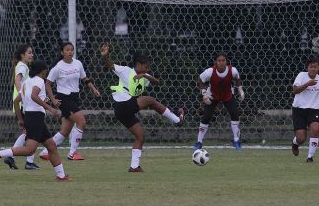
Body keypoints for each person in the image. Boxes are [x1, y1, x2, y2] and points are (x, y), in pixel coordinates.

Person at [100, 43, 184, 172]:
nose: (147, 69)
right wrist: (106, 56)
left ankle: (134, 167)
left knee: (140, 135)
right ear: (138, 64)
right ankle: (177, 120)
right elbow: (110, 65)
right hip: (122, 104)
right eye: (145, 67)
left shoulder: (144, 77)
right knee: (150, 100)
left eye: (148, 68)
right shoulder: (126, 70)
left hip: (125, 111)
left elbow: (158, 82)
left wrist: (144, 75)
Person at [0, 60, 72, 181]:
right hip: (35, 118)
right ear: (43, 70)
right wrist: (50, 108)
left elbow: (16, 101)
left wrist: (20, 119)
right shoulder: (39, 81)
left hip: (30, 116)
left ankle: (61, 176)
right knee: (30, 150)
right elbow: (34, 96)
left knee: (51, 145)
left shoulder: (26, 82)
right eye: (46, 70)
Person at [37, 42, 101, 161]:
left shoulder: (78, 63)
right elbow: (48, 84)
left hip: (74, 97)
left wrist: (93, 88)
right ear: (62, 52)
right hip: (64, 98)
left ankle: (45, 152)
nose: (70, 52)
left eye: (72, 50)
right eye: (67, 50)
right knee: (81, 121)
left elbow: (85, 78)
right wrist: (53, 99)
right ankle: (72, 153)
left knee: (65, 130)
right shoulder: (58, 67)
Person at [193, 54, 245, 150]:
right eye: (219, 61)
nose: (221, 62)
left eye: (223, 60)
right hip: (213, 95)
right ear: (216, 62)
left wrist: (240, 90)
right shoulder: (209, 72)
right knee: (206, 116)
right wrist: (204, 93)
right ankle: (199, 142)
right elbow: (200, 80)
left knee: (234, 114)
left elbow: (237, 78)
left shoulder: (232, 70)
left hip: (227, 95)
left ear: (226, 62)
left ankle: (236, 141)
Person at [3, 44, 40, 170]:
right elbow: (17, 81)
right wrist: (22, 94)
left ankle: (11, 157)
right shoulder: (22, 67)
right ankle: (28, 161)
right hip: (23, 104)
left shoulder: (22, 66)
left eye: (32, 52)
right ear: (22, 55)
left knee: (28, 132)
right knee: (32, 133)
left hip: (22, 104)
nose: (32, 55)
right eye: (29, 53)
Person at [290, 57, 319, 162]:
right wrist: (307, 84)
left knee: (315, 129)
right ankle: (295, 144)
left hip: (314, 110)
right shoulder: (301, 76)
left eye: (315, 67)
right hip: (299, 110)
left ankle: (310, 157)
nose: (313, 69)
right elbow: (295, 91)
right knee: (301, 138)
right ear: (307, 68)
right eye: (311, 67)